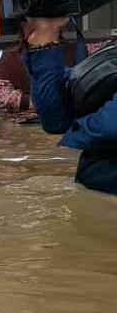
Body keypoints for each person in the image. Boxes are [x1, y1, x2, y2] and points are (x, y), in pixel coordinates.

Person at [24, 16, 116, 195]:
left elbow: (110, 126)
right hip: (92, 196)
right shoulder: (108, 52)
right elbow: (55, 120)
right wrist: (44, 42)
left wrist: (75, 132)